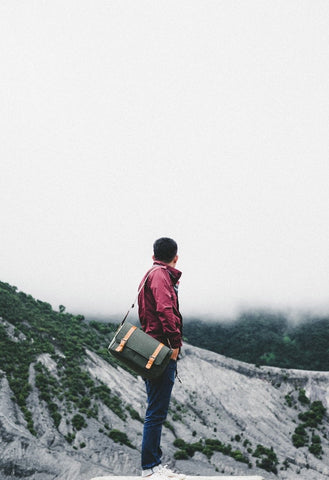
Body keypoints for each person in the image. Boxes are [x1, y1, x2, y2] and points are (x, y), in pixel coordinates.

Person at [138, 238, 186, 480]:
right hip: (160, 350)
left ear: (153, 254)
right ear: (175, 256)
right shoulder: (160, 275)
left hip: (153, 348)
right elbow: (165, 310)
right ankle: (150, 467)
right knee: (156, 412)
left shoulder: (153, 273)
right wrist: (174, 344)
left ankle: (153, 465)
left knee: (155, 409)